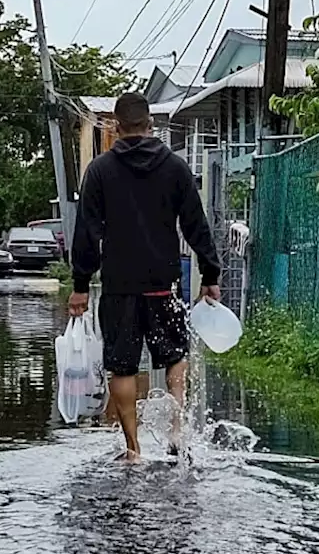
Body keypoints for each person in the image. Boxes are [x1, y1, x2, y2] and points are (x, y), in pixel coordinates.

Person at [69, 92, 221, 463]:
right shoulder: (175, 167)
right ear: (151, 124)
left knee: (121, 365)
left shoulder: (101, 170)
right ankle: (175, 431)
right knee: (174, 355)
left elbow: (87, 231)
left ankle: (133, 449)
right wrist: (210, 273)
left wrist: (80, 285)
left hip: (120, 283)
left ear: (117, 128)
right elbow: (195, 224)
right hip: (163, 283)